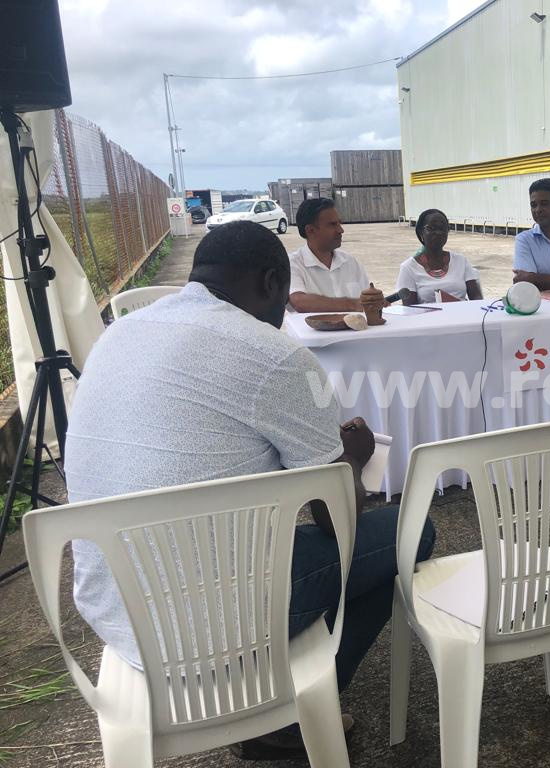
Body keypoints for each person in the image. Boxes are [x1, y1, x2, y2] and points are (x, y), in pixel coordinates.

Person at [65, 221, 435, 761]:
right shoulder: (276, 355)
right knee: (411, 531)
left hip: (117, 603)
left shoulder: (118, 334)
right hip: (207, 620)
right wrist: (352, 457)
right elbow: (338, 517)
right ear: (271, 283)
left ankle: (275, 693)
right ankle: (282, 715)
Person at [287, 197, 370, 312]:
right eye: (332, 225)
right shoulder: (292, 265)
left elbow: (368, 299)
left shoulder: (350, 262)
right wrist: (351, 304)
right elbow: (298, 301)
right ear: (310, 230)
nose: (340, 230)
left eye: (339, 223)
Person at [396, 209, 483, 304]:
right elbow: (410, 308)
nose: (438, 232)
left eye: (442, 228)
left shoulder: (461, 261)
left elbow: (477, 298)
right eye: (432, 228)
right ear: (421, 232)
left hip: (462, 313)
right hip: (426, 314)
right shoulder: (408, 268)